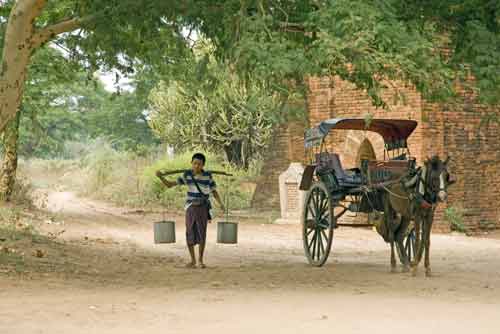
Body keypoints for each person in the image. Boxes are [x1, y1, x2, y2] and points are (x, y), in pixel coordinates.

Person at [156, 153, 225, 268]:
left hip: (203, 207)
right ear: (191, 164)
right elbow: (169, 185)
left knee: (202, 233)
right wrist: (160, 177)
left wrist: (221, 203)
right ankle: (192, 260)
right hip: (190, 207)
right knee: (189, 232)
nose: (196, 166)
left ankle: (200, 260)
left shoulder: (208, 176)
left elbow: (214, 191)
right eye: (195, 163)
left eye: (199, 164)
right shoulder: (187, 176)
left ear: (203, 165)